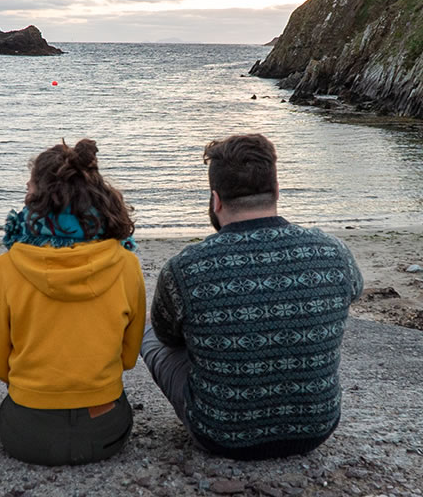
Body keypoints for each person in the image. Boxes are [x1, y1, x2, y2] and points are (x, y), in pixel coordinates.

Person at [142, 133, 363, 460]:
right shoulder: (335, 252)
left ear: (215, 200)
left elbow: (167, 336)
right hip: (316, 428)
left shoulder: (185, 268)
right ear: (276, 191)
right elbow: (352, 293)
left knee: (152, 334)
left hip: (220, 434)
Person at [0, 139, 146, 466]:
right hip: (106, 430)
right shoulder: (126, 263)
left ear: (37, 197)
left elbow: (1, 367)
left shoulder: (8, 266)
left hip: (26, 434)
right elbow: (128, 359)